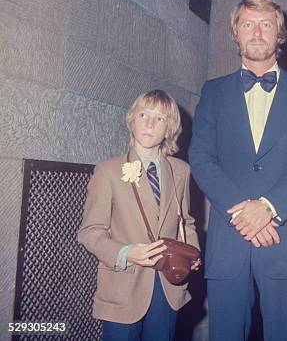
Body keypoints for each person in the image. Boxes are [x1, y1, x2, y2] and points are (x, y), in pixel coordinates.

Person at [189, 0, 287, 341]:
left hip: (284, 236)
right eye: (247, 24)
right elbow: (202, 158)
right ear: (235, 33)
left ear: (280, 35)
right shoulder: (213, 91)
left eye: (266, 24)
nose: (256, 32)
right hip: (229, 239)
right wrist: (244, 214)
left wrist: (267, 209)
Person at [77, 90, 201, 341]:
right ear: (132, 120)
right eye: (143, 115)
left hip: (168, 284)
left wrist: (192, 252)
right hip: (124, 285)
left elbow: (185, 221)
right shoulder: (109, 171)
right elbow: (90, 232)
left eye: (160, 118)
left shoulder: (181, 171)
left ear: (169, 130)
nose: (149, 123)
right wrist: (125, 253)